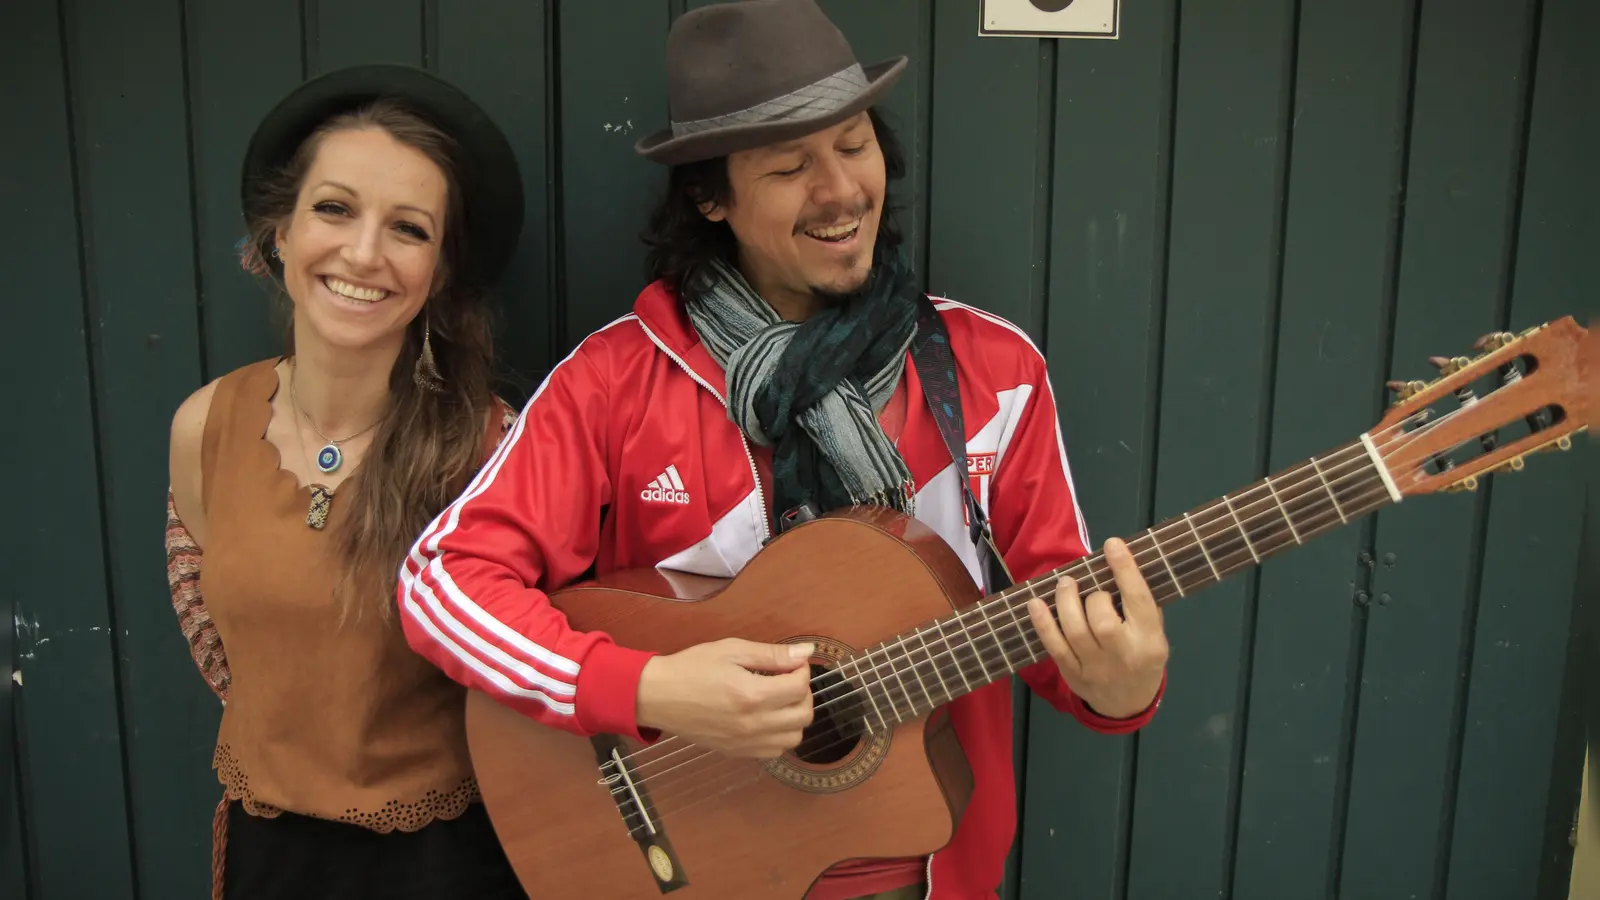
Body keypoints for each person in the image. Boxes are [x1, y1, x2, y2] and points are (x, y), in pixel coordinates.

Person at [399, 1, 1170, 898]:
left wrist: (1118, 685)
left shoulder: (991, 373)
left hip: (930, 865)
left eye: (853, 144)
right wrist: (648, 688)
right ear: (710, 197)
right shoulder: (616, 382)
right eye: (789, 165)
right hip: (693, 867)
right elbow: (442, 585)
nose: (841, 190)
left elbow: (1057, 633)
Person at [165, 63, 531, 900]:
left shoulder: (489, 447)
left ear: (439, 271)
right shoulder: (205, 425)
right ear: (280, 234)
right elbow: (218, 635)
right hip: (271, 854)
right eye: (333, 209)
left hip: (447, 863)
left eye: (408, 228)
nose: (363, 253)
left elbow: (525, 673)